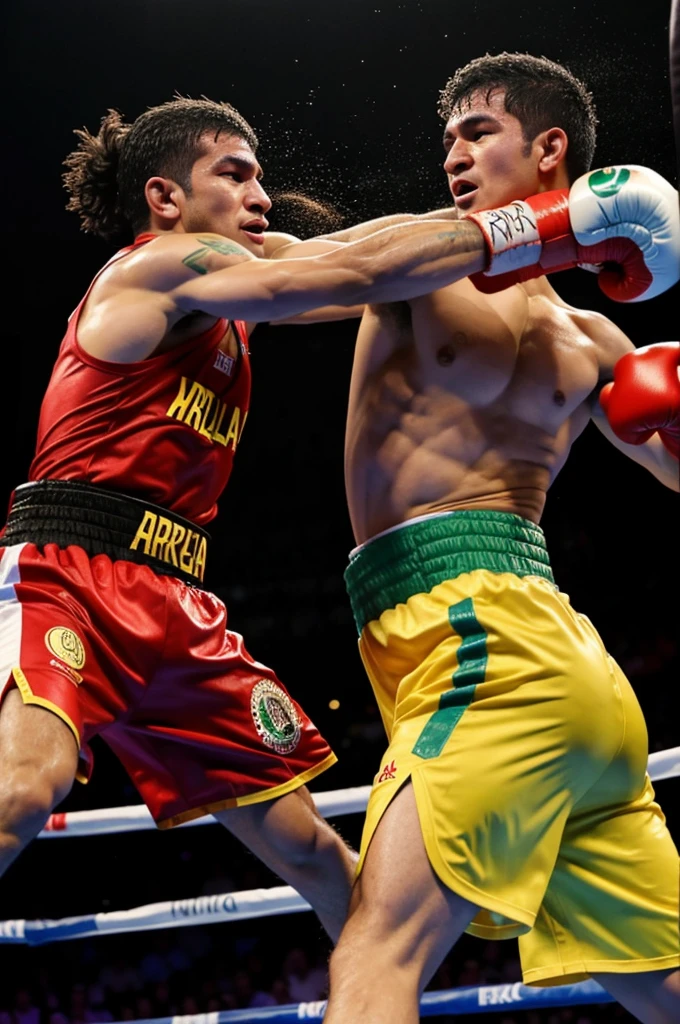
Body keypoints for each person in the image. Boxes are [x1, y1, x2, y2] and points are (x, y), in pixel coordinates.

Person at [3, 94, 665, 944]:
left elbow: (368, 257)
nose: (263, 196)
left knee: (320, 858)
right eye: (235, 176)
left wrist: (563, 233)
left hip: (176, 605)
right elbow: (348, 275)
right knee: (25, 787)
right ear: (166, 199)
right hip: (69, 572)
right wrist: (551, 218)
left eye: (261, 177)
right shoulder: (158, 267)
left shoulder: (236, 282)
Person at [304, 54, 679, 1022]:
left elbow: (275, 285)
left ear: (549, 148)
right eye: (446, 142)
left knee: (374, 952)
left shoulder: (593, 341)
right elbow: (300, 278)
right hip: (566, 673)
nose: (452, 157)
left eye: (477, 132)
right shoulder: (459, 271)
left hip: (480, 641)